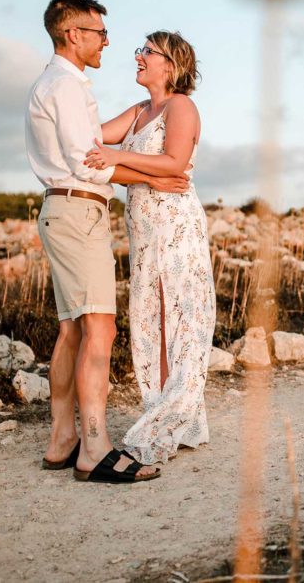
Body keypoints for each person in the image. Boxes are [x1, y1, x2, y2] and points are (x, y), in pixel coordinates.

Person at [26, 0, 186, 483]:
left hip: (64, 209)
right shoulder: (67, 86)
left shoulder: (55, 83)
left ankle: (62, 440)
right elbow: (87, 159)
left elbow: (96, 152)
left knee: (73, 329)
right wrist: (153, 180)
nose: (108, 42)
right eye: (99, 33)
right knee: (100, 329)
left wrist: (131, 170)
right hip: (78, 210)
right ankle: (94, 447)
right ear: (73, 34)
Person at [85, 30, 216, 465]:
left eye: (147, 52)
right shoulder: (141, 110)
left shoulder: (181, 106)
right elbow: (94, 144)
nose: (137, 57)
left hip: (176, 227)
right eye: (139, 51)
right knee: (150, 320)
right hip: (144, 234)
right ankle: (167, 412)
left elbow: (174, 163)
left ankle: (169, 419)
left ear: (170, 65)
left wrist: (120, 161)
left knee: (179, 318)